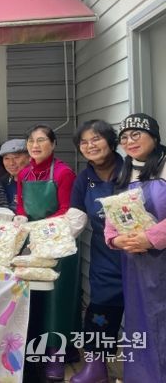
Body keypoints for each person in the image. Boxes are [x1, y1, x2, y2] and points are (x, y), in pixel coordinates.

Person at [104, 113, 166, 381]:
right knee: (141, 321)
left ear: (154, 137)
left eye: (136, 134)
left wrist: (150, 238)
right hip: (136, 265)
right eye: (124, 137)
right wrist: (116, 239)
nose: (129, 141)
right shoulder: (125, 172)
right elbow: (113, 217)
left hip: (161, 260)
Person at [16, 124, 79, 381]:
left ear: (53, 144)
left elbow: (65, 209)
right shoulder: (23, 174)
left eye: (41, 140)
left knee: (58, 299)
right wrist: (21, 219)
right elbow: (21, 206)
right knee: (34, 297)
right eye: (31, 140)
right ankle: (34, 349)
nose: (35, 145)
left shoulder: (64, 173)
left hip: (58, 242)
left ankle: (57, 354)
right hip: (32, 244)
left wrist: (40, 228)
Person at [68, 120, 124, 383]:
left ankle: (145, 367)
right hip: (105, 257)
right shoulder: (84, 179)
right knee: (100, 311)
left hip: (142, 255)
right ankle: (96, 367)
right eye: (84, 142)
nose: (90, 145)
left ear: (111, 142)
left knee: (144, 311)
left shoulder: (131, 171)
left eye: (96, 139)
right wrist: (49, 241)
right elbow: (75, 218)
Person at [0, 139, 30, 211]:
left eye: (16, 157)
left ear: (29, 158)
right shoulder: (1, 183)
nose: (11, 163)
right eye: (6, 158)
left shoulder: (38, 181)